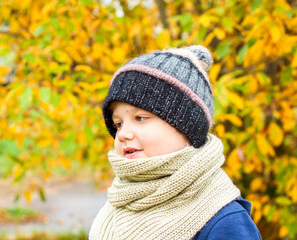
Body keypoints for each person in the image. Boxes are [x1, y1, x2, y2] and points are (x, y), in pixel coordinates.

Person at [88, 45, 262, 240]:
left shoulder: (223, 221)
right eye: (118, 124)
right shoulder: (118, 204)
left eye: (140, 118)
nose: (122, 134)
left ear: (187, 127)